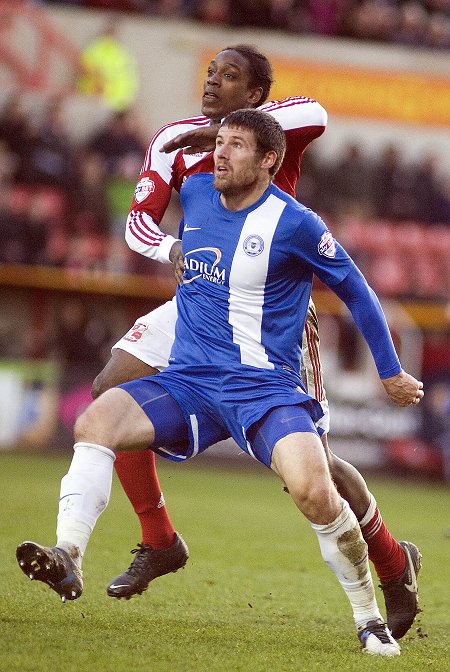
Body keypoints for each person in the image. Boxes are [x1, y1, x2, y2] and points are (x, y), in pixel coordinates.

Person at [16, 110, 424, 656]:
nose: (220, 153)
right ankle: (71, 553)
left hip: (264, 387)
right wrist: (166, 242)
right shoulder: (198, 193)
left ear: (268, 160)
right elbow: (142, 220)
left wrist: (391, 369)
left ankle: (370, 614)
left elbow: (357, 292)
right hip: (190, 381)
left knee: (314, 485)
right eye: (219, 142)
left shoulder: (296, 222)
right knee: (96, 417)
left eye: (235, 145)